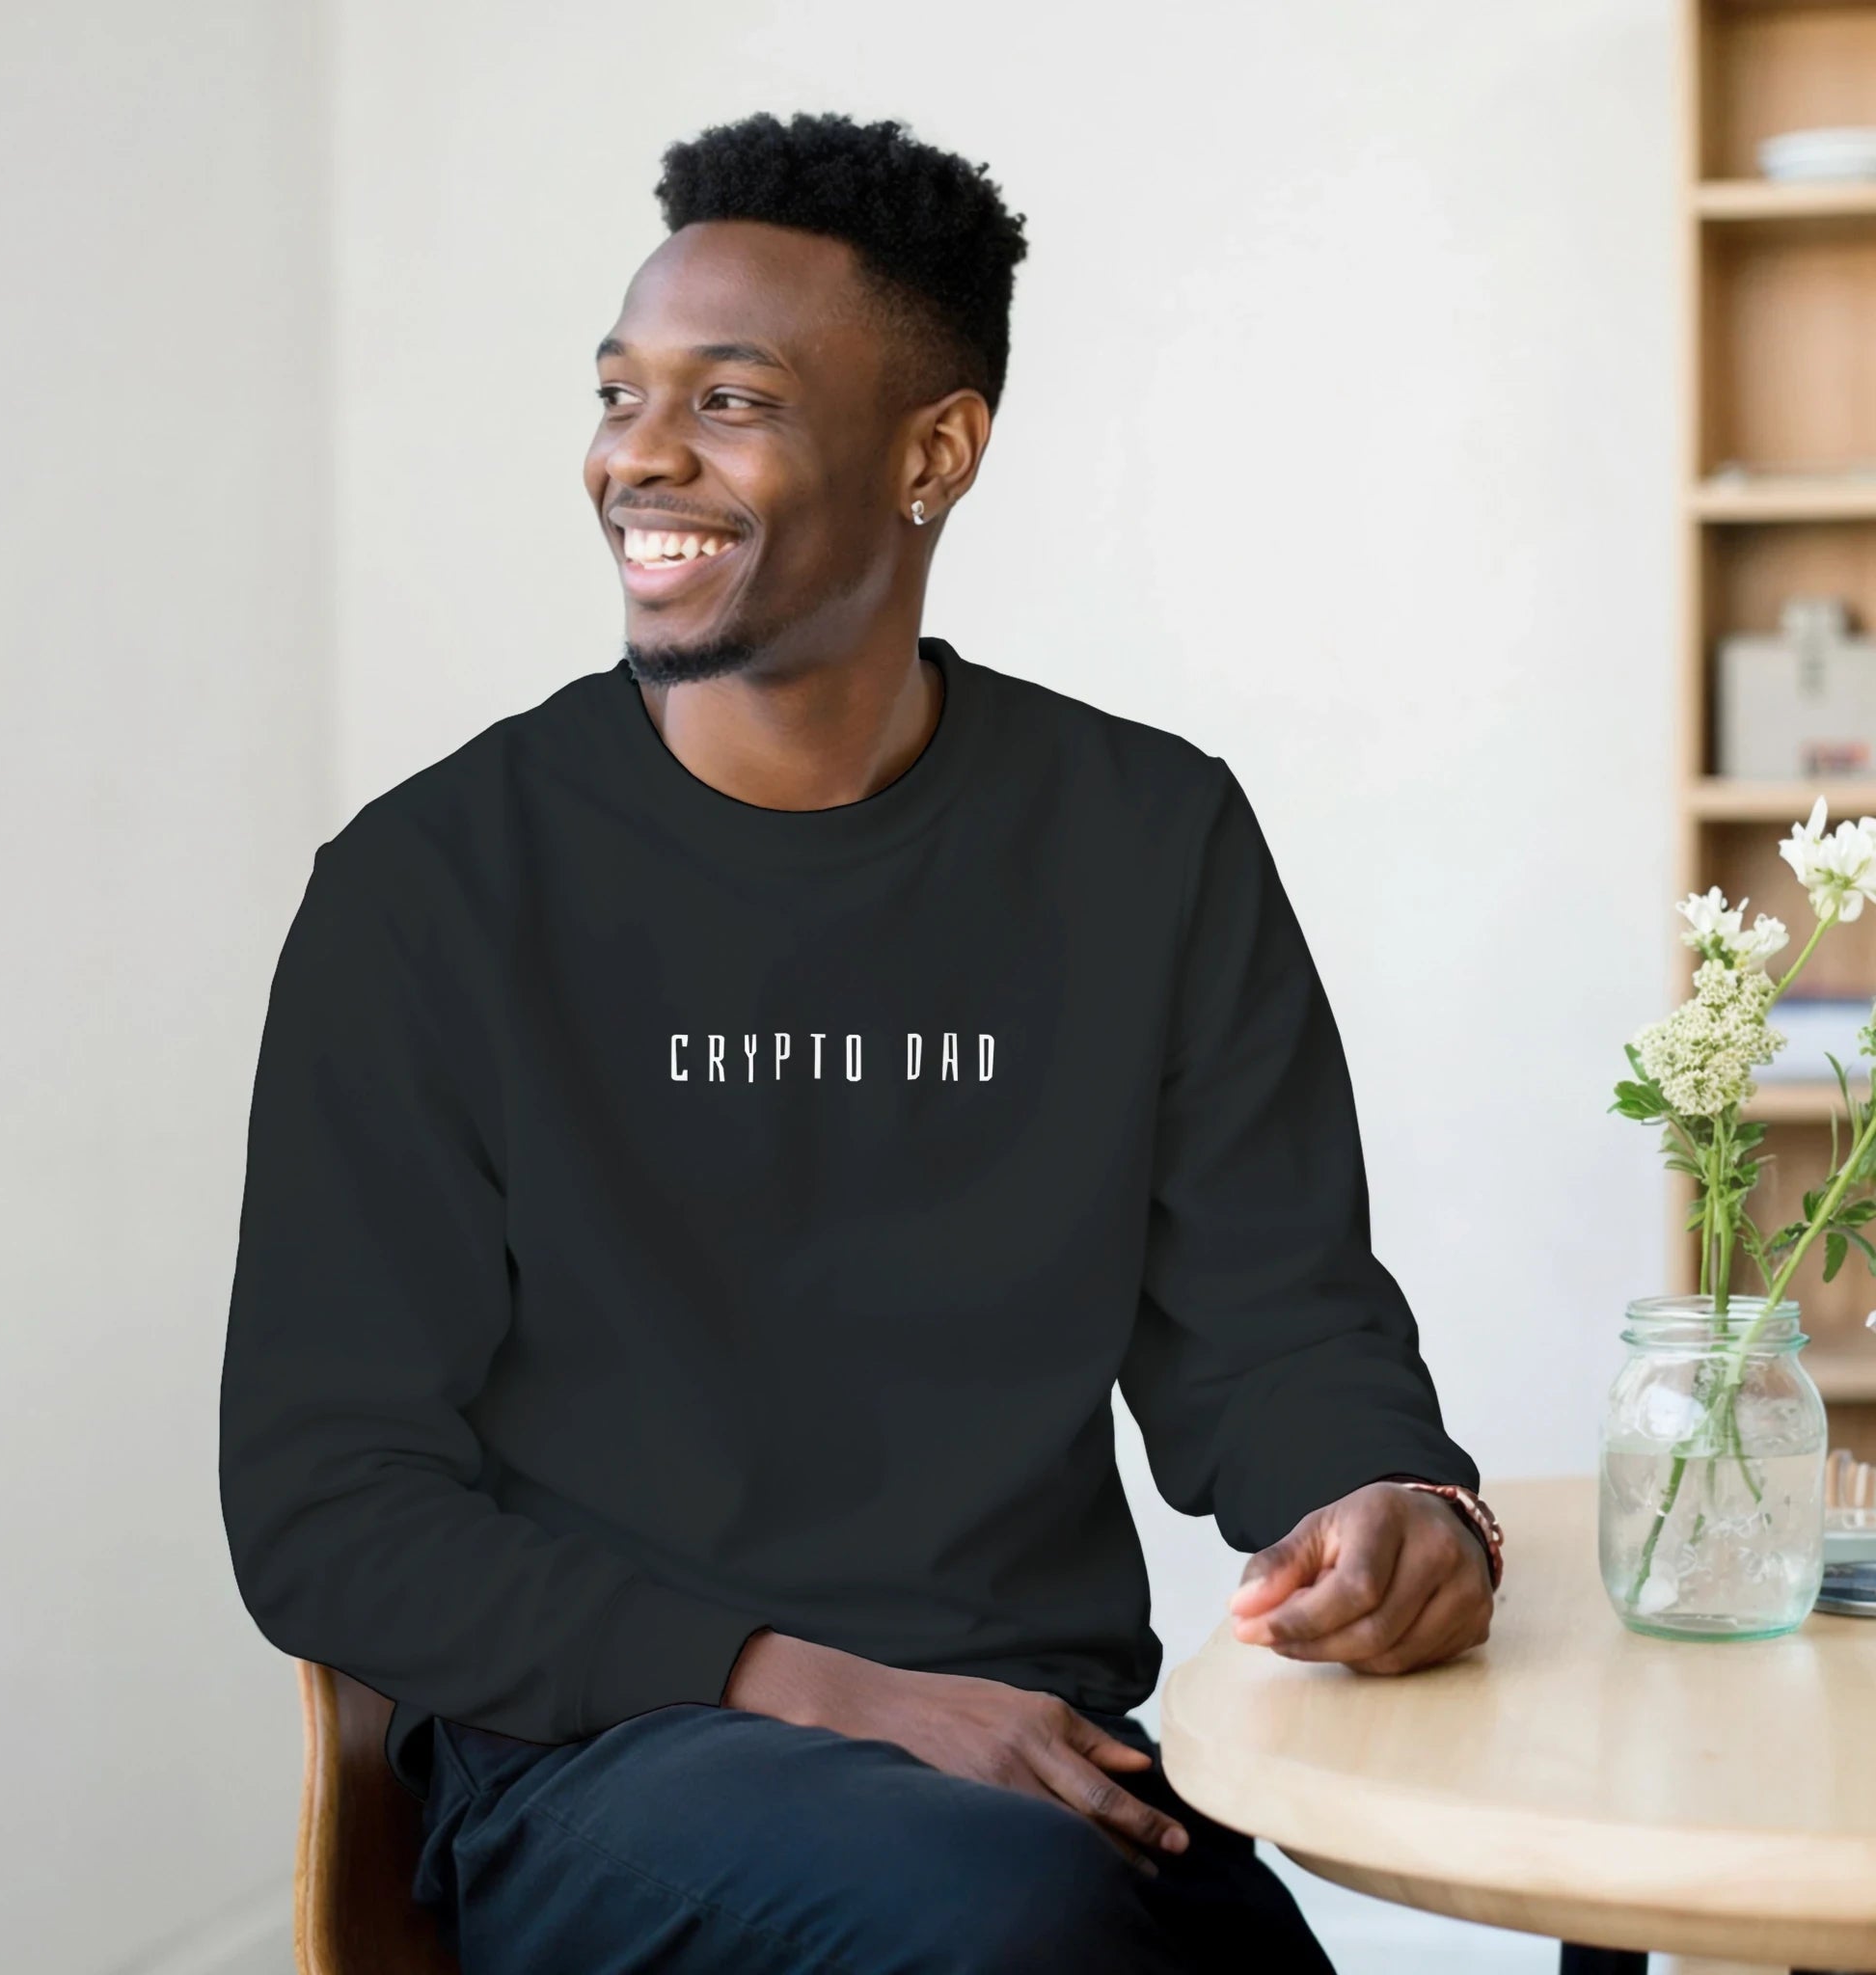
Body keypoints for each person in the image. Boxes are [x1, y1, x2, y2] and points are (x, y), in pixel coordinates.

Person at [218, 108, 1498, 1975]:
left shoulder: (1145, 839)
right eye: (617, 391)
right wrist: (821, 1691)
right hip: (605, 1760)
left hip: (1038, 1755)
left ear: (933, 451)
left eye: (726, 400)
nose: (636, 454)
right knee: (1011, 1923)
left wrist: (1389, 1499)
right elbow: (328, 1507)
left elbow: (1272, 1316)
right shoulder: (431, 886)